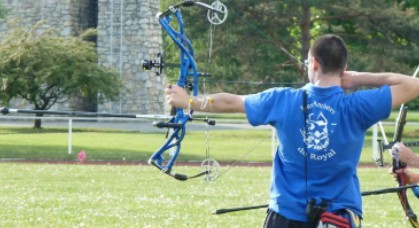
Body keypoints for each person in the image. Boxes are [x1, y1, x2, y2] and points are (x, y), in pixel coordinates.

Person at [165, 34, 419, 227]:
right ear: (342, 68)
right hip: (339, 215)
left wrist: (188, 101)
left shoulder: (282, 99)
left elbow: (230, 102)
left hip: (286, 214)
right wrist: (357, 77)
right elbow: (412, 85)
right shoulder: (358, 105)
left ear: (315, 64)